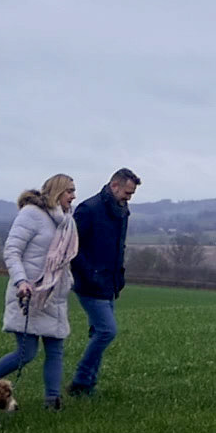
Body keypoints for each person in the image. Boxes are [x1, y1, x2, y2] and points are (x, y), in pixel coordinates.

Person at [0, 173, 79, 410]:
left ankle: (52, 401)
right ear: (58, 191)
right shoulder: (31, 215)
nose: (73, 195)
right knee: (26, 353)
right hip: (28, 293)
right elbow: (12, 251)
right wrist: (21, 281)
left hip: (54, 295)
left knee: (56, 349)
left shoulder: (67, 220)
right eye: (69, 190)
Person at [67, 167, 140, 397]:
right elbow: (73, 248)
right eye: (127, 192)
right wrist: (91, 275)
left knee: (98, 332)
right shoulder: (89, 210)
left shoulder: (121, 210)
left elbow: (119, 247)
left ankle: (88, 385)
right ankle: (80, 381)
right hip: (89, 282)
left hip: (110, 282)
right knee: (107, 331)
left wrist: (119, 276)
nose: (129, 198)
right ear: (114, 185)